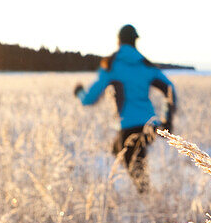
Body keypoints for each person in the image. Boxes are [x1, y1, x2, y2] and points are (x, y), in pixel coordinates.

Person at [74, 24, 177, 194]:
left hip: (129, 127)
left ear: (119, 40)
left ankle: (148, 205)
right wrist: (168, 119)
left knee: (138, 175)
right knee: (118, 151)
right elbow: (170, 88)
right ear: (135, 41)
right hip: (150, 125)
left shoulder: (113, 64)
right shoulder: (145, 64)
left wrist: (79, 93)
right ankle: (142, 196)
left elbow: (89, 99)